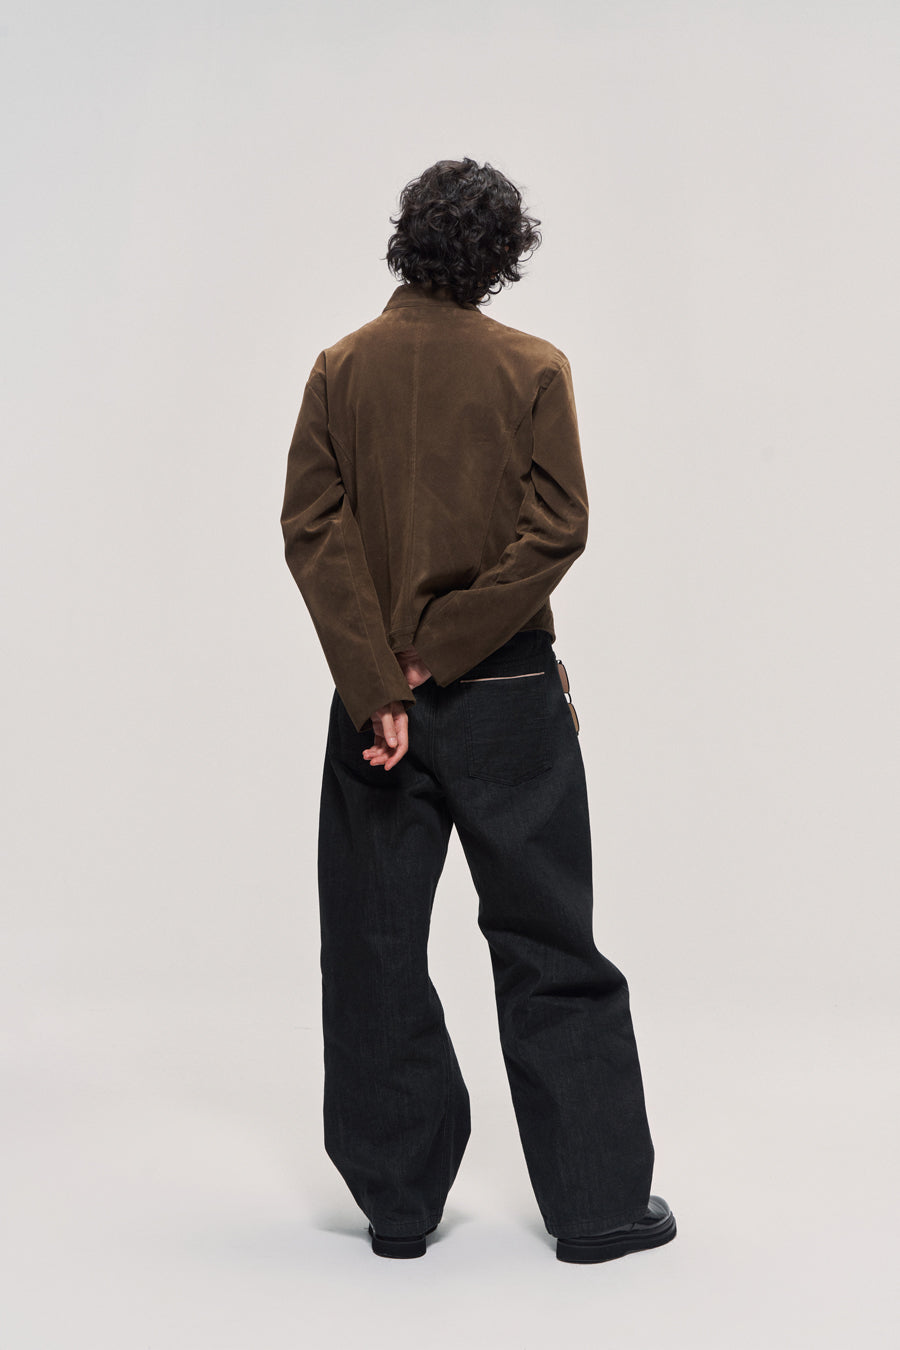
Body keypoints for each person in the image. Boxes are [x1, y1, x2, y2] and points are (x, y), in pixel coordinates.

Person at [279, 157, 676, 1263]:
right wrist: (445, 650)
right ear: (502, 258)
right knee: (547, 941)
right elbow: (557, 530)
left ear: (406, 239)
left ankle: (398, 1207)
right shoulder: (533, 368)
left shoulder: (340, 368)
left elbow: (313, 530)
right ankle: (596, 1209)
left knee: (373, 947)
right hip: (506, 696)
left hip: (376, 712)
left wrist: (381, 679)